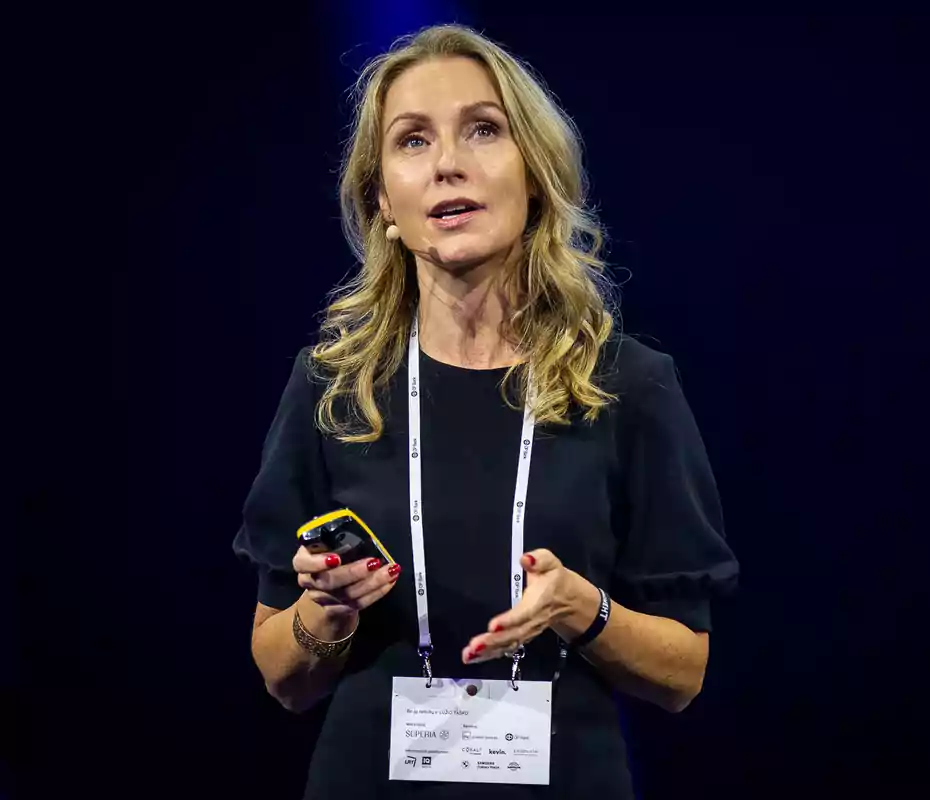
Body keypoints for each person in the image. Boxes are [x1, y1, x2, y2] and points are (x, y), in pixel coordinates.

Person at [232, 23, 738, 799]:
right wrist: (323, 617)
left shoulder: (628, 386)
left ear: (534, 174)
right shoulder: (331, 389)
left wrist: (584, 609)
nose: (447, 164)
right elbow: (282, 678)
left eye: (482, 130)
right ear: (383, 203)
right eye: (412, 141)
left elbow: (684, 674)